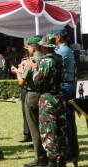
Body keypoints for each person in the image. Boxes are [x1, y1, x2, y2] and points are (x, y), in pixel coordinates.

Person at [29, 34, 69, 167]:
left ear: (44, 47)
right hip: (59, 96)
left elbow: (37, 81)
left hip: (47, 99)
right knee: (60, 129)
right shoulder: (59, 59)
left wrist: (35, 69)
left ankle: (52, 161)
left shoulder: (47, 61)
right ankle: (62, 159)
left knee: (48, 131)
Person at [11, 37, 47, 167]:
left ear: (33, 47)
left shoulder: (31, 61)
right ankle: (47, 155)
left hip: (32, 95)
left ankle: (39, 159)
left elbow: (21, 83)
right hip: (45, 95)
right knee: (45, 127)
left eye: (29, 48)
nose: (28, 50)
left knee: (34, 128)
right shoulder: (47, 59)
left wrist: (16, 72)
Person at [52, 27, 79, 166]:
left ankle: (69, 153)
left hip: (65, 87)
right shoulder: (67, 49)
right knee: (69, 120)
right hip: (70, 85)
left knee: (65, 121)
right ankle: (72, 153)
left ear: (57, 37)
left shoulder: (61, 51)